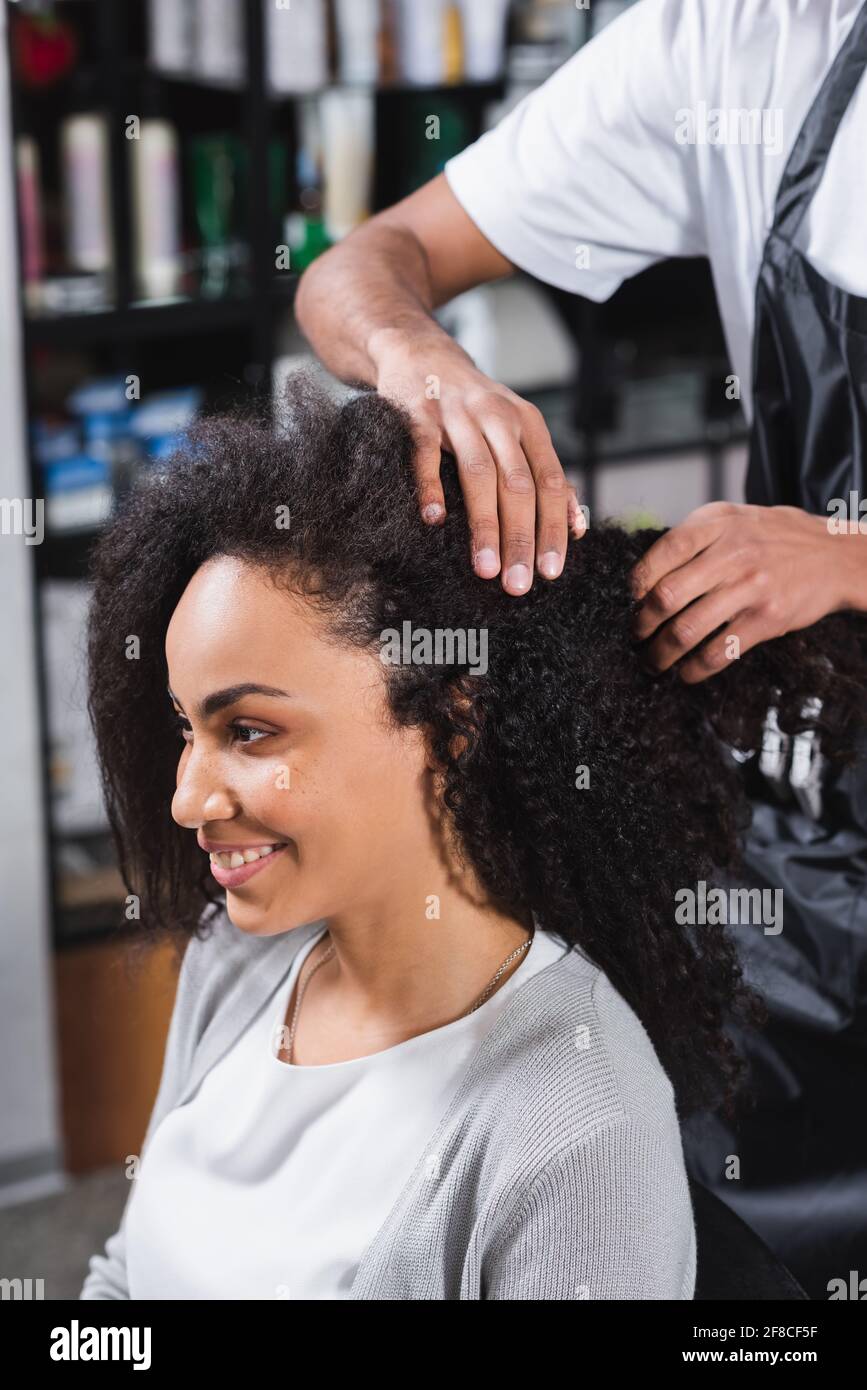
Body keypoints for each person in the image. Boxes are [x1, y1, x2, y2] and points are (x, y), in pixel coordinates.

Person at [294, 0, 867, 1293]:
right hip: (812, 819)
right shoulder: (718, 46)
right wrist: (416, 355)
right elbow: (361, 260)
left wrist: (842, 558)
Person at [77, 375, 867, 1299]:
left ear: (450, 724)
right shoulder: (236, 965)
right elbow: (124, 1282)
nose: (185, 799)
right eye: (185, 729)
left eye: (249, 732)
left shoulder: (576, 1124)